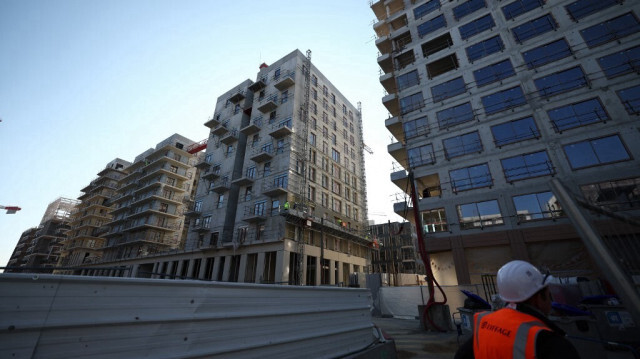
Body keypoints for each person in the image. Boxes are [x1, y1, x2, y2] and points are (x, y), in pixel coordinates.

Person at [454, 260, 580, 359]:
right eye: (548, 294)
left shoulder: (485, 323)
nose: (551, 301)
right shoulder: (548, 342)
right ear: (538, 298)